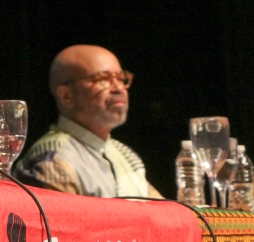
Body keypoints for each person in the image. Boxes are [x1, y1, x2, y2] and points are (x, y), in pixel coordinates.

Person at [13, 45, 162, 198]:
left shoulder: (126, 155)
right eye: (103, 78)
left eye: (120, 78)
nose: (118, 88)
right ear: (66, 96)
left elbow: (164, 211)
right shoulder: (55, 160)